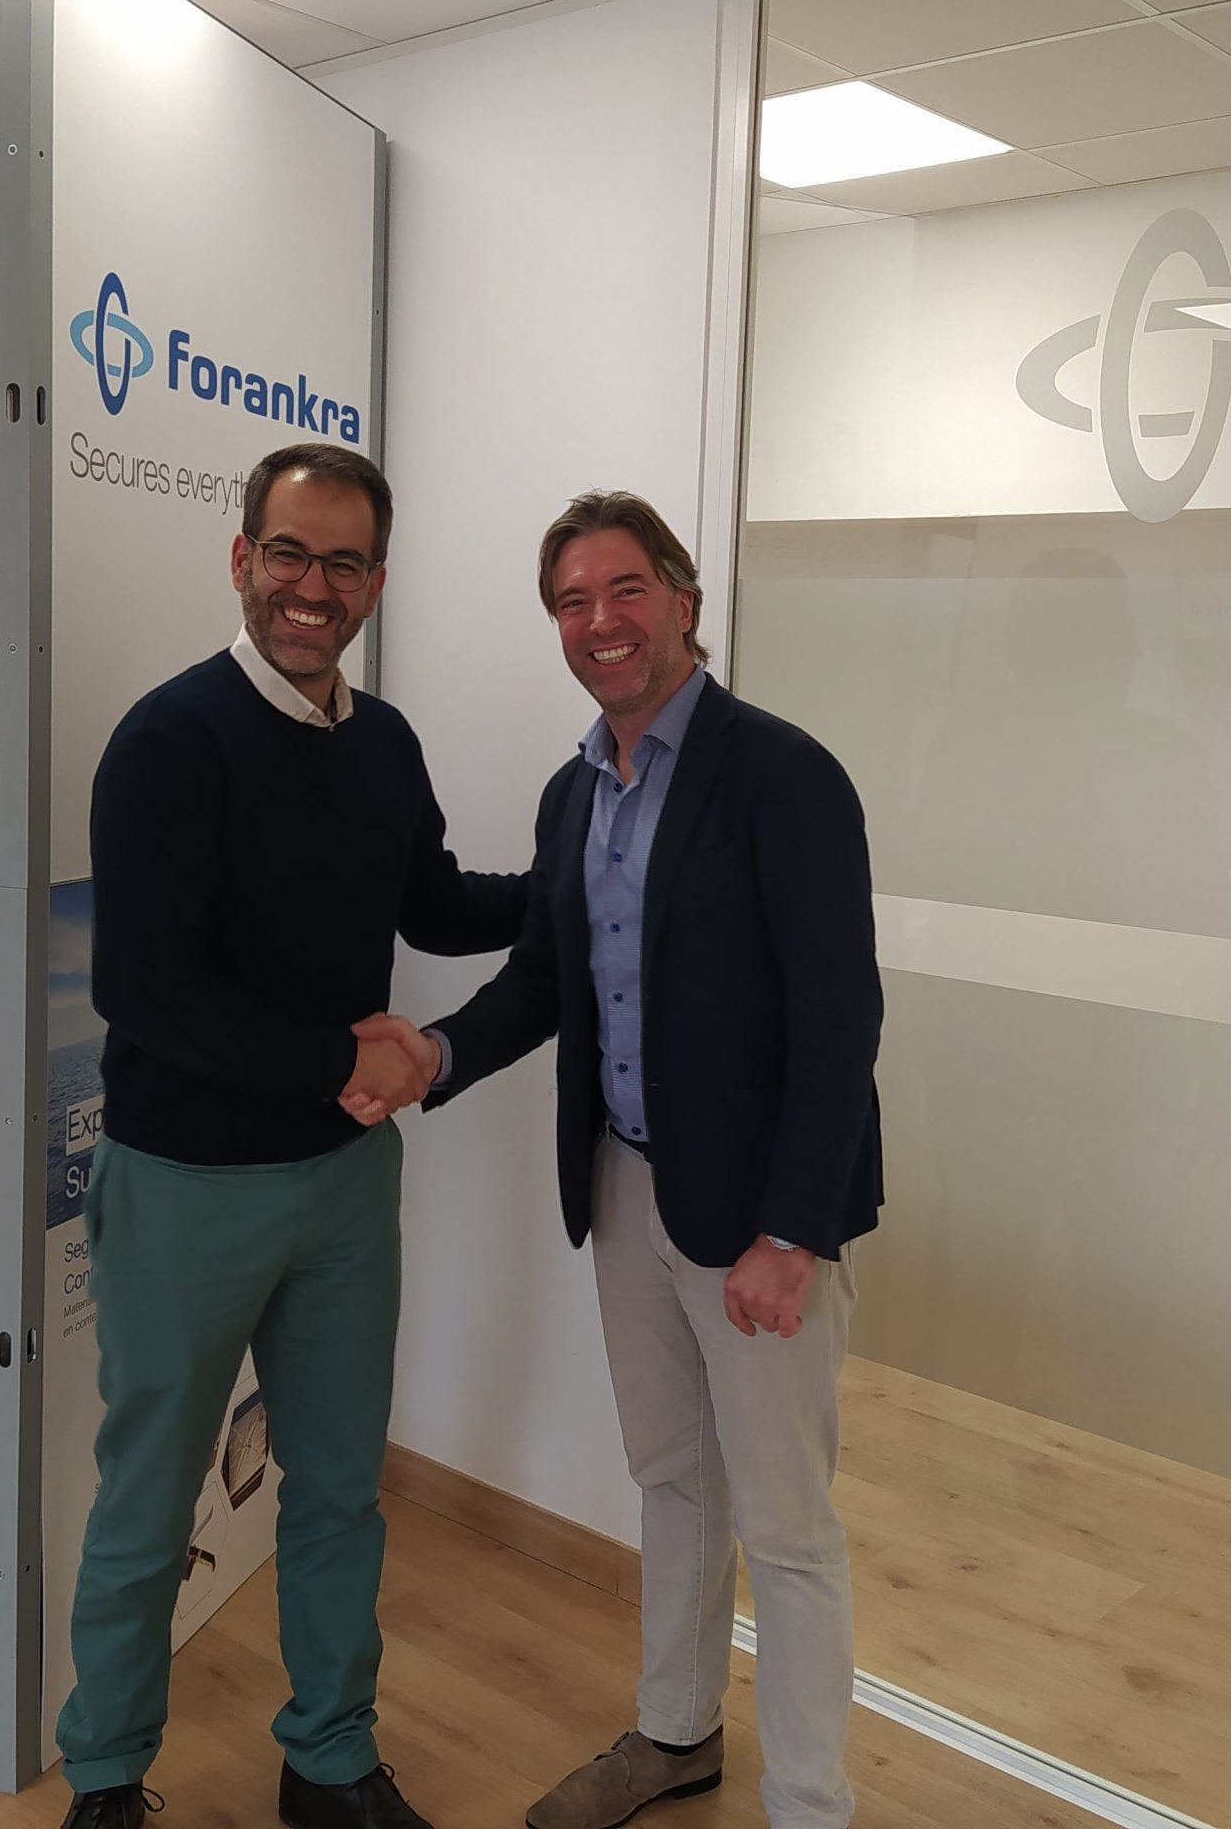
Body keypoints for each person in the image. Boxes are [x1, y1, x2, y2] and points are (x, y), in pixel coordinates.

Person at [347, 491, 882, 1829]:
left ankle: (811, 1806)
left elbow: (839, 1020)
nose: (602, 621)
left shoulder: (784, 775)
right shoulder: (573, 793)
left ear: (684, 602)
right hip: (625, 1185)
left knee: (789, 1528)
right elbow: (546, 980)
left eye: (626, 589)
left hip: (755, 1214)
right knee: (673, 1482)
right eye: (573, 602)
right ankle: (676, 1733)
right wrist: (437, 1055)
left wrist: (794, 1230)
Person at [58, 442, 525, 1829]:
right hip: (186, 1187)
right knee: (149, 1504)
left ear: (376, 580)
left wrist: (589, 873)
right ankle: (106, 1780)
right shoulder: (168, 740)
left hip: (342, 1185)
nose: (312, 587)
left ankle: (329, 1757)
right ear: (241, 558)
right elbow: (143, 990)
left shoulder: (383, 742)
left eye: (344, 563)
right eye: (288, 553)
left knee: (337, 1492)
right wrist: (341, 1061)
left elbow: (434, 901)